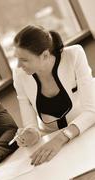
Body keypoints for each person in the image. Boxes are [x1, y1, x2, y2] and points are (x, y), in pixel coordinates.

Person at [12, 25, 95, 166]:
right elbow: (31, 125)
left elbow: (92, 110)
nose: (19, 65)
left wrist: (60, 139)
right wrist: (30, 134)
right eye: (17, 59)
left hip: (86, 132)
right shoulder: (20, 75)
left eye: (24, 60)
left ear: (45, 55)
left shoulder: (74, 55)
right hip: (53, 144)